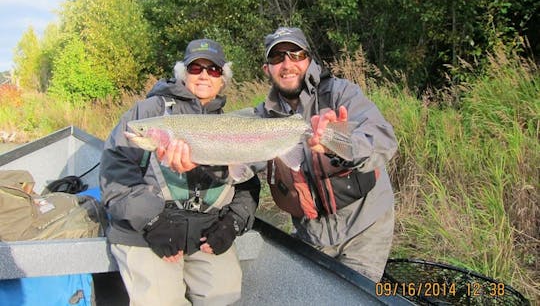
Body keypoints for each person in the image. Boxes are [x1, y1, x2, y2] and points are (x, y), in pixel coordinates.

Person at [99, 39, 260, 306]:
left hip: (206, 231)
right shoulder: (146, 114)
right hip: (145, 230)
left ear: (223, 79)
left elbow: (248, 185)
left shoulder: (231, 125)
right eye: (195, 68)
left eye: (214, 70)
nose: (204, 75)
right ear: (183, 74)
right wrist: (151, 221)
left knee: (224, 296)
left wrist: (233, 223)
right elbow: (114, 175)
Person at [254, 27, 398, 282]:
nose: (287, 64)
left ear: (309, 60)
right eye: (277, 58)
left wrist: (337, 142)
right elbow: (237, 166)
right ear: (267, 69)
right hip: (311, 235)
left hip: (365, 227)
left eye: (295, 54)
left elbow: (383, 140)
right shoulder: (262, 117)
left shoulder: (341, 93)